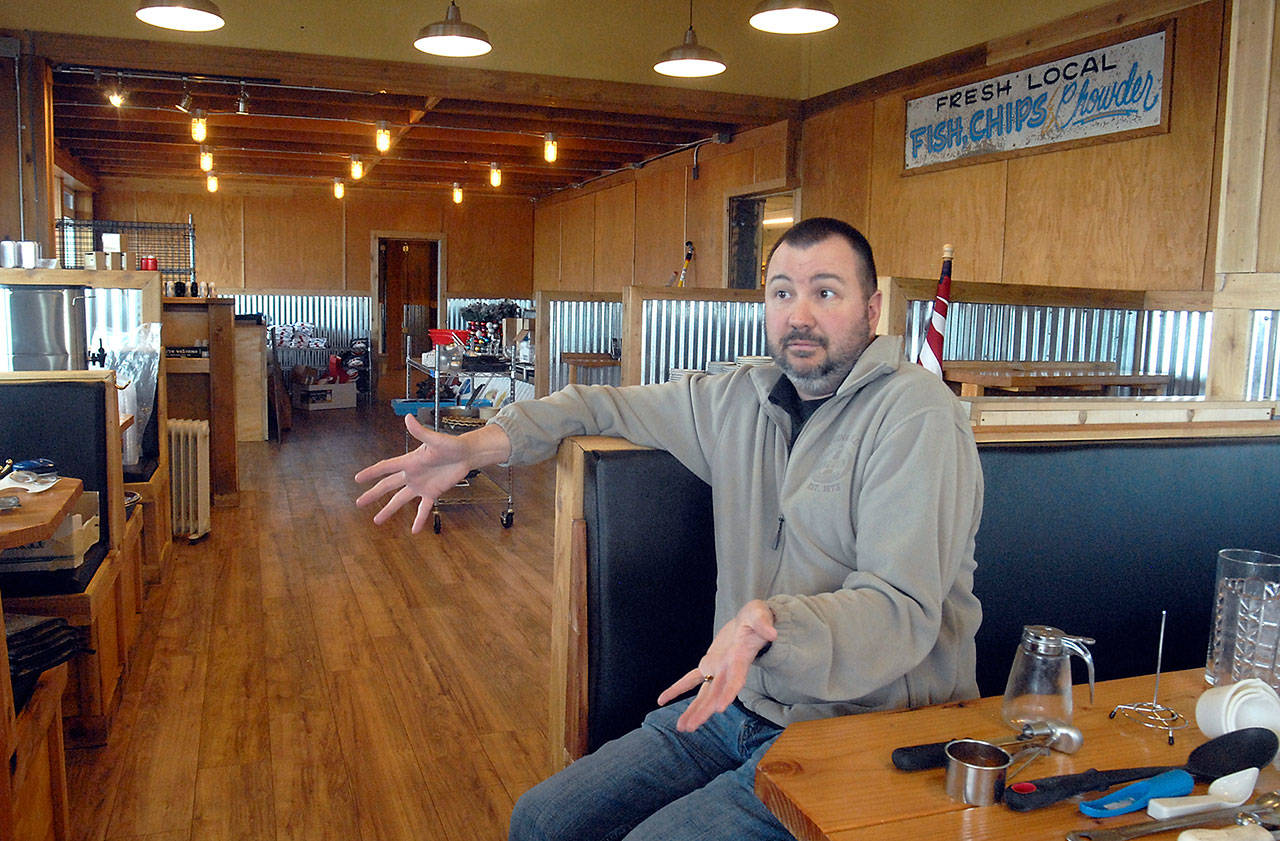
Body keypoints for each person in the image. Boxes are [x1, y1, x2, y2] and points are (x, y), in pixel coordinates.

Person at [355, 217, 984, 841]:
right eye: (782, 292)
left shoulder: (915, 415)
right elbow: (600, 404)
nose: (799, 316)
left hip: (863, 728)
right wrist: (478, 447)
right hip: (734, 704)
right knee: (542, 821)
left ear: (871, 309)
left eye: (826, 292)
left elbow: (902, 610)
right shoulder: (741, 397)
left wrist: (772, 625)